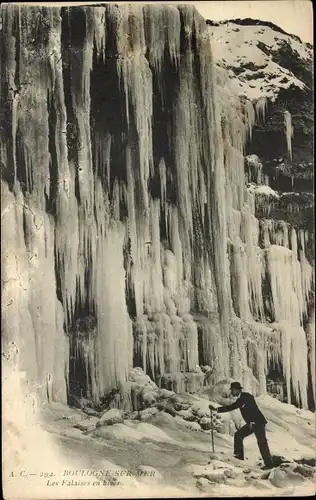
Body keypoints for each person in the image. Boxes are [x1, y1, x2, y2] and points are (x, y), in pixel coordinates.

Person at [209, 381, 274, 469]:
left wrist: (252, 421)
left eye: (232, 390)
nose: (231, 392)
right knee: (238, 435)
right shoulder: (240, 400)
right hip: (251, 423)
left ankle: (269, 464)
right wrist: (216, 409)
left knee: (262, 442)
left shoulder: (247, 397)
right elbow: (231, 407)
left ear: (237, 390)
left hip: (257, 422)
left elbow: (253, 408)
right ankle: (239, 457)